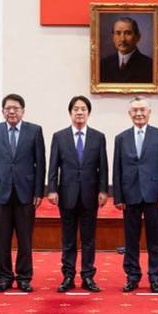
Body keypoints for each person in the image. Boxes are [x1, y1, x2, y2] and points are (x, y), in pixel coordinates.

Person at [0, 93, 46, 293]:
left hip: (26, 193)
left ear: (23, 111)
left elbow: (40, 163)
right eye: (8, 108)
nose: (12, 111)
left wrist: (38, 191)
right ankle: (4, 277)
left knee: (25, 239)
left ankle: (24, 277)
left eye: (16, 108)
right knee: (2, 239)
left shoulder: (34, 131)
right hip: (0, 192)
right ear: (2, 111)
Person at [47, 95, 109, 293]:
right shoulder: (59, 136)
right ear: (70, 112)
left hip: (90, 195)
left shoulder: (98, 137)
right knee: (68, 238)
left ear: (88, 113)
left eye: (83, 109)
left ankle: (88, 276)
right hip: (67, 194)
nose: (79, 112)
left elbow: (103, 167)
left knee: (89, 239)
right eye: (76, 109)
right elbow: (53, 165)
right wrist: (52, 189)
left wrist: (103, 190)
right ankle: (68, 276)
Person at [112, 97, 158, 293]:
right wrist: (118, 197)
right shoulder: (121, 138)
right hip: (130, 195)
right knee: (131, 240)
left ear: (149, 112)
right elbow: (117, 169)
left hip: (154, 195)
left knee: (155, 239)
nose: (139, 114)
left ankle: (155, 276)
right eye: (135, 111)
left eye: (142, 110)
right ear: (129, 114)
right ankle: (132, 276)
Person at [99, 17, 153, 84]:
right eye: (118, 33)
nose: (122, 39)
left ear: (138, 37)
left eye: (128, 33)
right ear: (113, 37)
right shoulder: (102, 65)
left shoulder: (150, 66)